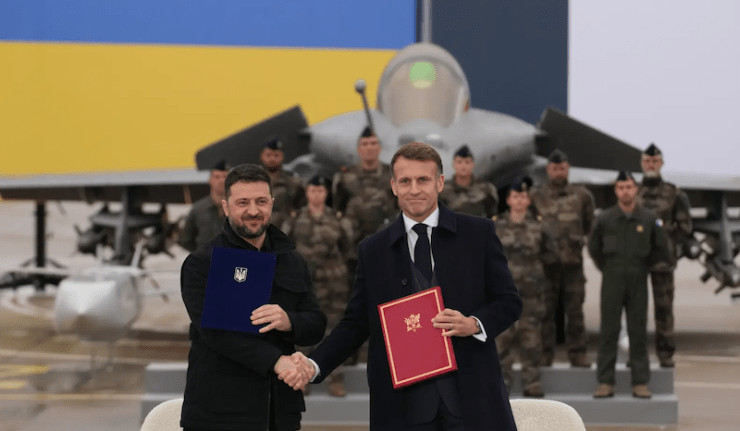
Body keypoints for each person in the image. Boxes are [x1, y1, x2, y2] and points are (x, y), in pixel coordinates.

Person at [286, 142, 522, 430]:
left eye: (423, 180)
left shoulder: (478, 233)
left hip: (471, 399)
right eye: (405, 181)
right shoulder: (373, 250)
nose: (414, 189)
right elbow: (356, 323)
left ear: (440, 183)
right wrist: (314, 364)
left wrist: (474, 323)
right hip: (404, 407)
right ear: (394, 186)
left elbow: (509, 302)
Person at [179, 164, 326, 431]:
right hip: (219, 415)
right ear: (226, 207)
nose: (253, 211)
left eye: (261, 201)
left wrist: (289, 321)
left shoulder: (292, 260)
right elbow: (215, 334)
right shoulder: (202, 263)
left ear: (271, 203)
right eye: (242, 203)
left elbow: (316, 323)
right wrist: (276, 361)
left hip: (279, 413)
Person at [588, 171, 669, 399]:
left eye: (629, 187)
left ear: (636, 189)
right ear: (616, 190)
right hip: (612, 280)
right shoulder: (605, 218)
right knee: (609, 331)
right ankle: (605, 382)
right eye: (621, 187)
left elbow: (660, 248)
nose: (625, 191)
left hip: (638, 280)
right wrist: (609, 268)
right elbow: (594, 248)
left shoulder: (648, 218)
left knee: (638, 331)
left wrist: (643, 267)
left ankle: (640, 382)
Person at [281, 174, 353, 397]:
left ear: (326, 193)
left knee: (335, 331)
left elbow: (348, 248)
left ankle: (335, 379)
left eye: (320, 191)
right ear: (307, 192)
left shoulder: (337, 219)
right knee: (302, 331)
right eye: (312, 190)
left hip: (333, 286)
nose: (316, 195)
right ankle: (301, 377)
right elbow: (284, 249)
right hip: (304, 286)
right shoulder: (295, 219)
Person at [332, 125, 396, 362]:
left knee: (387, 301)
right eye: (365, 144)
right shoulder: (345, 177)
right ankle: (352, 355)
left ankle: (386, 353)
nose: (369, 148)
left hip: (385, 251)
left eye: (373, 144)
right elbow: (338, 210)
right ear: (359, 149)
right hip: (353, 253)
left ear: (379, 148)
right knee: (355, 304)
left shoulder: (391, 174)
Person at [530, 149, 595, 367]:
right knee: (545, 312)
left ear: (568, 169)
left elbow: (588, 226)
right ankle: (545, 354)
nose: (559, 172)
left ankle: (578, 353)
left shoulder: (582, 196)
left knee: (575, 311)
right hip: (546, 265)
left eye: (562, 168)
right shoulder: (536, 196)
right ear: (548, 170)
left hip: (572, 265)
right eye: (555, 168)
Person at [494, 177, 558, 398]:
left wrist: (536, 277)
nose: (520, 200)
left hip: (531, 294)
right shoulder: (496, 226)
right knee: (502, 339)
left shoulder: (539, 226)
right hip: (503, 294)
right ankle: (502, 383)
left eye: (523, 196)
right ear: (508, 200)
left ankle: (532, 383)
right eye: (516, 196)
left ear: (528, 200)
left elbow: (551, 256)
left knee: (531, 339)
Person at [638, 143, 692, 368]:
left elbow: (685, 227)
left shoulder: (674, 193)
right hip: (637, 261)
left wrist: (667, 242)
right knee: (636, 309)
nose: (651, 165)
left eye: (655, 161)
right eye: (647, 161)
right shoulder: (633, 192)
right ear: (642, 164)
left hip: (662, 261)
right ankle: (637, 354)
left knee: (664, 308)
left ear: (661, 164)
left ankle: (665, 353)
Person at [178, 160, 228, 251]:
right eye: (217, 177)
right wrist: (200, 254)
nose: (221, 180)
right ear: (210, 180)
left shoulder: (237, 208)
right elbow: (187, 240)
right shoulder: (198, 209)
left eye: (225, 177)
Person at [439, 144, 499, 218]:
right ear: (454, 164)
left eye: (467, 162)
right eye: (459, 162)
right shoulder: (442, 190)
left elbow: (492, 215)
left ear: (472, 164)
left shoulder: (486, 189)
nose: (463, 166)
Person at [260, 136, 306, 230]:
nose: (272, 159)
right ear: (262, 156)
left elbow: (303, 208)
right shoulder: (252, 180)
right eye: (268, 155)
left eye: (276, 155)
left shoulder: (294, 182)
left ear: (282, 157)